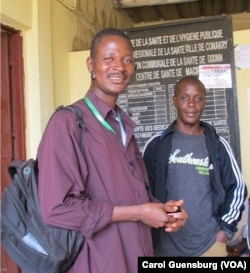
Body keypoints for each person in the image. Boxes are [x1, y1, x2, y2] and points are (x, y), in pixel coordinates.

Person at [37, 28, 188, 273]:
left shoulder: (123, 126)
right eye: (108, 59)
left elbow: (131, 196)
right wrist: (139, 213)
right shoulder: (67, 123)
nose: (120, 67)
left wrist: (161, 210)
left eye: (127, 60)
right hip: (99, 262)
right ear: (91, 65)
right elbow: (57, 209)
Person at [143, 76, 248, 257]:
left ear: (204, 102)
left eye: (198, 98)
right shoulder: (156, 145)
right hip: (162, 249)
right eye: (184, 97)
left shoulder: (217, 144)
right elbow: (142, 191)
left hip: (209, 247)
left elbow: (237, 188)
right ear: (174, 101)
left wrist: (223, 233)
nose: (191, 104)